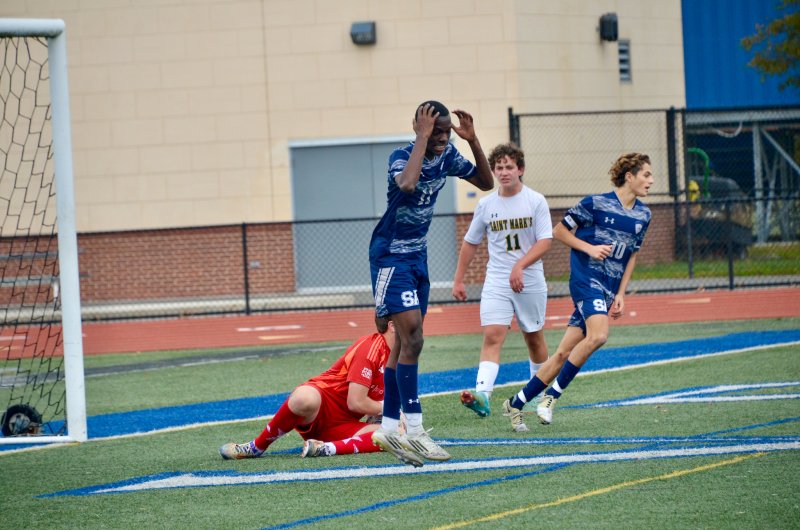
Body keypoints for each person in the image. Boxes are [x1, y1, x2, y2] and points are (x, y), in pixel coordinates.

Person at [369, 100, 494, 466]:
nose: (441, 137)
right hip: (391, 255)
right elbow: (407, 184)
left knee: (404, 343)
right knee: (415, 339)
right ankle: (417, 430)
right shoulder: (401, 156)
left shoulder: (449, 154)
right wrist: (422, 138)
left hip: (417, 257)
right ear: (419, 128)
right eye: (434, 130)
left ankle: (390, 429)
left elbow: (485, 182)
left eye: (445, 131)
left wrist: (471, 140)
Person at [502, 152, 654, 432]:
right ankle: (551, 397)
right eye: (646, 174)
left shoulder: (644, 215)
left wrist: (621, 294)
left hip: (608, 287)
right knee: (599, 335)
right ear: (629, 176)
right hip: (586, 279)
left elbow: (631, 255)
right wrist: (589, 248)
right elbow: (558, 231)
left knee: (561, 355)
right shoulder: (595, 203)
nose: (651, 181)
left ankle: (515, 402)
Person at [451, 143, 552, 423]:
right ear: (494, 171)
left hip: (529, 279)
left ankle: (536, 395)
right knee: (493, 334)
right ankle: (483, 396)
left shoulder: (535, 201)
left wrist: (520, 266)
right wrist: (459, 280)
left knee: (534, 338)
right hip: (496, 279)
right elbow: (471, 243)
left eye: (509, 167)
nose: (504, 172)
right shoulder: (486, 205)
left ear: (520, 169)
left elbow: (545, 241)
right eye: (499, 167)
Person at [219, 317, 395, 459]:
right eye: (410, 319)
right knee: (304, 397)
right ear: (393, 325)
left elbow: (383, 400)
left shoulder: (403, 355)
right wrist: (389, 409)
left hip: (344, 426)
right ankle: (257, 446)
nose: (415, 324)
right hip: (320, 406)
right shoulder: (372, 347)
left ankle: (325, 448)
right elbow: (355, 402)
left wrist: (385, 418)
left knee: (396, 434)